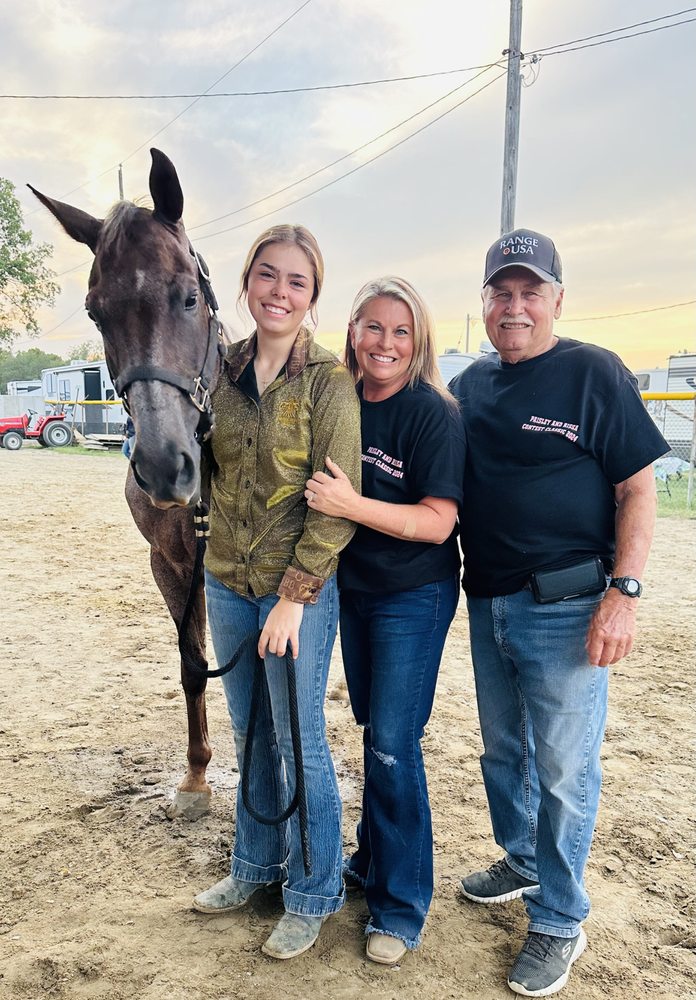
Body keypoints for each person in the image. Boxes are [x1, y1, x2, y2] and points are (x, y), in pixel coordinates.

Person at [448, 229, 669, 997]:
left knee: (566, 769)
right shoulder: (471, 388)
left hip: (572, 605)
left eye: (529, 292)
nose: (514, 307)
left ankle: (559, 918)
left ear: (557, 301)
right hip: (490, 602)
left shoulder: (592, 373)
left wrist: (624, 593)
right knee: (504, 754)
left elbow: (638, 490)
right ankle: (522, 858)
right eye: (500, 293)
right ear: (483, 304)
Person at [192, 224, 361, 960]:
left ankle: (314, 889)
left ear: (313, 297)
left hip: (297, 592)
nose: (279, 292)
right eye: (267, 275)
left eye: (296, 281)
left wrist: (295, 595)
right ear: (246, 283)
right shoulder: (220, 372)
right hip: (227, 581)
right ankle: (254, 867)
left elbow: (335, 504)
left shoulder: (328, 381)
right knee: (250, 733)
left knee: (300, 743)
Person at [305, 277, 465, 964]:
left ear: (418, 340)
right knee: (374, 730)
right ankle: (371, 861)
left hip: (414, 593)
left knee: (396, 742)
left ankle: (400, 907)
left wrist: (350, 505)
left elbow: (437, 523)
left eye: (401, 331)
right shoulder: (339, 399)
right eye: (373, 327)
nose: (385, 343)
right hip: (355, 590)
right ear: (351, 331)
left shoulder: (432, 413)